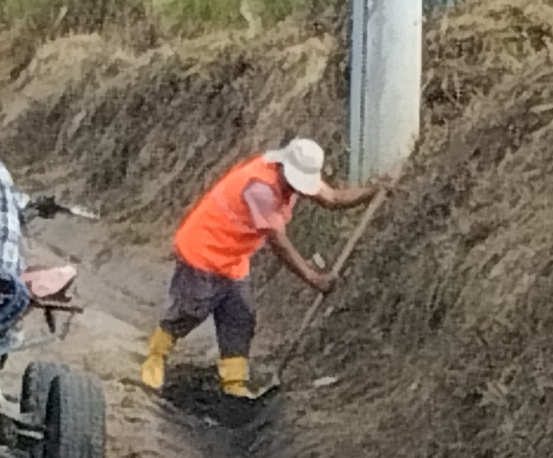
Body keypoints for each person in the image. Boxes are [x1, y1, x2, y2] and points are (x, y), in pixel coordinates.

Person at [140, 133, 383, 400]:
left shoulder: (287, 179)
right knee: (189, 310)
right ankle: (155, 356)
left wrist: (372, 191)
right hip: (204, 251)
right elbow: (279, 244)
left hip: (234, 258)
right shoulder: (261, 188)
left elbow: (332, 198)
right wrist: (313, 278)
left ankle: (234, 383)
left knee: (239, 317)